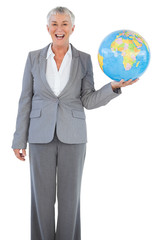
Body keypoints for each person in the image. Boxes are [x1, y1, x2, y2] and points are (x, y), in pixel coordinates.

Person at [12, 6, 139, 240]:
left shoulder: (85, 60)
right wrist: (19, 138)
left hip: (74, 135)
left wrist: (113, 88)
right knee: (41, 198)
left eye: (64, 24)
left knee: (71, 200)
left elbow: (88, 100)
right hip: (40, 136)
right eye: (54, 24)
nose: (59, 29)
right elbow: (25, 99)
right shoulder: (33, 58)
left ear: (72, 28)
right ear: (47, 28)